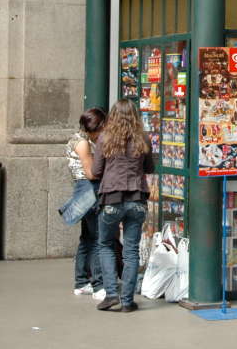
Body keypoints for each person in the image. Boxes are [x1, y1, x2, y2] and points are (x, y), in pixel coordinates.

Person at [92, 99, 153, 312]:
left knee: (106, 244)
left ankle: (111, 294)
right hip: (136, 198)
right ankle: (127, 300)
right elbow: (150, 167)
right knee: (131, 250)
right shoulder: (142, 138)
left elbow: (96, 171)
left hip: (111, 198)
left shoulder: (105, 137)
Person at [61, 108, 107, 301]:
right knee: (97, 238)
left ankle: (81, 282)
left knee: (87, 238)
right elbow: (90, 173)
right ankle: (98, 285)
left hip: (82, 190)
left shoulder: (76, 139)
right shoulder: (83, 143)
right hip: (89, 189)